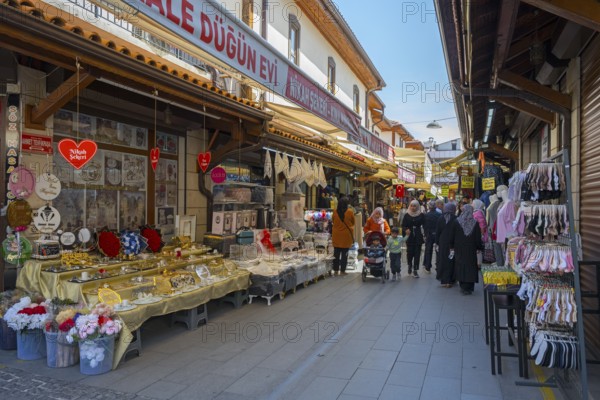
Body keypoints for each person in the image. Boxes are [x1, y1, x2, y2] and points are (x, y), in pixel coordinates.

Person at [449, 204, 484, 295]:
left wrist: (451, 246)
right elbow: (477, 237)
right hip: (471, 248)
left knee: (461, 265)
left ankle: (463, 285)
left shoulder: (457, 221)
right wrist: (479, 247)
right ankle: (469, 287)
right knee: (471, 266)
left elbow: (452, 235)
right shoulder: (475, 223)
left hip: (459, 247)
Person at [331, 196, 355, 276]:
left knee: (336, 254)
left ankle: (335, 270)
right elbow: (353, 222)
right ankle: (342, 271)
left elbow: (333, 221)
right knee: (345, 254)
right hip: (346, 236)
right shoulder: (350, 212)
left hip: (336, 235)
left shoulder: (335, 212)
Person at [402, 200, 425, 278]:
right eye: (411, 205)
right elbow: (403, 225)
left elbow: (425, 225)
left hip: (418, 236)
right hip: (410, 237)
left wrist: (425, 235)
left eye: (414, 206)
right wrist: (406, 230)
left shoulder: (421, 215)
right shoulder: (407, 215)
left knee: (417, 253)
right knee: (409, 253)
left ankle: (415, 270)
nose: (413, 207)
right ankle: (409, 265)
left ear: (417, 206)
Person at [436, 202, 457, 287]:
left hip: (443, 242)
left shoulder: (441, 218)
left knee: (443, 260)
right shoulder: (455, 218)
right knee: (451, 260)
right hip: (453, 242)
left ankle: (444, 279)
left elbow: (438, 232)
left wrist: (437, 243)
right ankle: (451, 279)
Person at [423, 200, 441, 273]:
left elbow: (425, 226)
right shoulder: (439, 215)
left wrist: (425, 234)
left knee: (428, 250)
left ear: (429, 207)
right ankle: (438, 266)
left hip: (429, 234)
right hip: (437, 234)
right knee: (438, 251)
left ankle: (428, 267)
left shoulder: (426, 215)